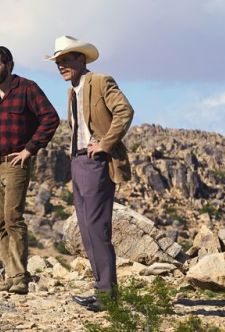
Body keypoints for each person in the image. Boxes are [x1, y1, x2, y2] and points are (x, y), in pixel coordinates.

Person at [46, 36, 134, 311]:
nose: (61, 66)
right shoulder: (71, 91)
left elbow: (124, 111)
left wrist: (105, 144)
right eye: (58, 62)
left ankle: (108, 295)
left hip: (97, 162)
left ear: (81, 59)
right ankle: (101, 292)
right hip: (78, 162)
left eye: (66, 60)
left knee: (97, 229)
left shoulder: (100, 80)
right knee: (86, 231)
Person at [0, 46, 60, 294]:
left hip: (16, 163)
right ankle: (10, 276)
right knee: (0, 221)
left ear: (9, 65)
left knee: (13, 218)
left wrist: (29, 150)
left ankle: (21, 276)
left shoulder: (27, 88)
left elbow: (50, 118)